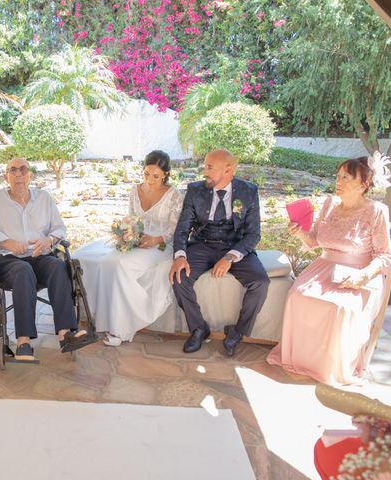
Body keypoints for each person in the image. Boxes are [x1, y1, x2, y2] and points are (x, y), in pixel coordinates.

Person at [267, 155, 391, 385]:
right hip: (323, 267)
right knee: (298, 295)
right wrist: (299, 233)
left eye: (346, 176)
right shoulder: (329, 204)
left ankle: (330, 366)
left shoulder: (376, 211)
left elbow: (384, 255)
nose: (339, 181)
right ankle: (301, 359)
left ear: (364, 183)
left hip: (359, 271)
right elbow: (314, 241)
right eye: (338, 176)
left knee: (340, 307)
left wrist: (362, 276)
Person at [0, 157, 88, 361]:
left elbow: (59, 228)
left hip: (40, 255)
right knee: (23, 271)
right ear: (6, 176)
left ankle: (66, 334)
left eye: (23, 169)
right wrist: (7, 242)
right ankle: (24, 341)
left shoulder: (44, 198)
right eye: (13, 170)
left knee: (58, 267)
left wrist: (49, 240)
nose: (18, 174)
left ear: (30, 175)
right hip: (9, 261)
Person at [73, 150, 183, 346]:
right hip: (137, 240)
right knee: (108, 262)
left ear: (166, 174)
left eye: (156, 176)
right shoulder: (135, 190)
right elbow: (133, 219)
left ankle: (122, 328)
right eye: (146, 174)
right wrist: (129, 234)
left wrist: (155, 239)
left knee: (120, 265)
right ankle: (102, 319)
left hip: (161, 244)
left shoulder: (173, 195)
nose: (150, 180)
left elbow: (175, 229)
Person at [169, 149, 270, 356]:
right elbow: (182, 228)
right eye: (205, 166)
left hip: (236, 245)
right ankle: (199, 328)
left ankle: (238, 332)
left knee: (261, 282)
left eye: (209, 167)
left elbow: (253, 234)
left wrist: (230, 257)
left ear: (228, 170)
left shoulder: (248, 191)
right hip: (203, 244)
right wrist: (180, 256)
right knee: (179, 278)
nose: (203, 171)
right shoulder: (195, 190)